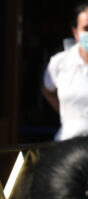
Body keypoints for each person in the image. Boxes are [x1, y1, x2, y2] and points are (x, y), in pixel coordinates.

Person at [43, 3, 88, 141]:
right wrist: (68, 115)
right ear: (76, 33)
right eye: (86, 28)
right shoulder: (59, 63)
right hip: (68, 147)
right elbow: (48, 91)